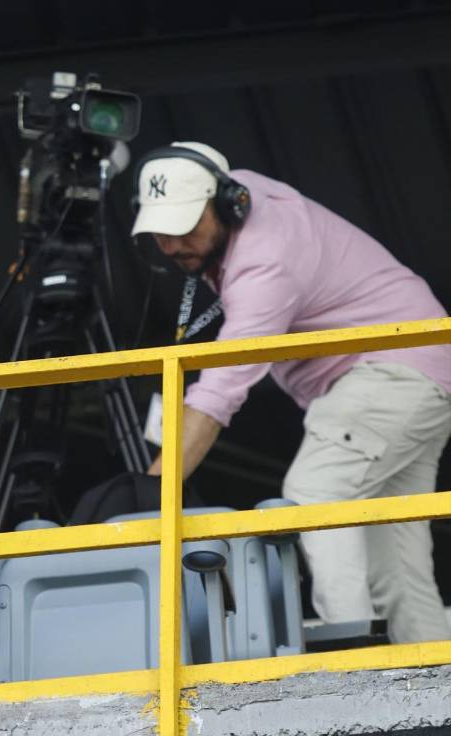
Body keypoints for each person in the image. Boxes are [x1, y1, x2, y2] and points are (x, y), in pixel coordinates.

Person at [131, 141, 451, 644]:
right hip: (423, 373)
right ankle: (431, 675)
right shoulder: (241, 196)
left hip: (392, 371)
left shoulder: (265, 263)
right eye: (160, 233)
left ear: (227, 205)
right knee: (398, 565)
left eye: (184, 228)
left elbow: (219, 394)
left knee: (316, 494)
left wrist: (149, 496)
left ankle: (352, 659)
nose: (171, 247)